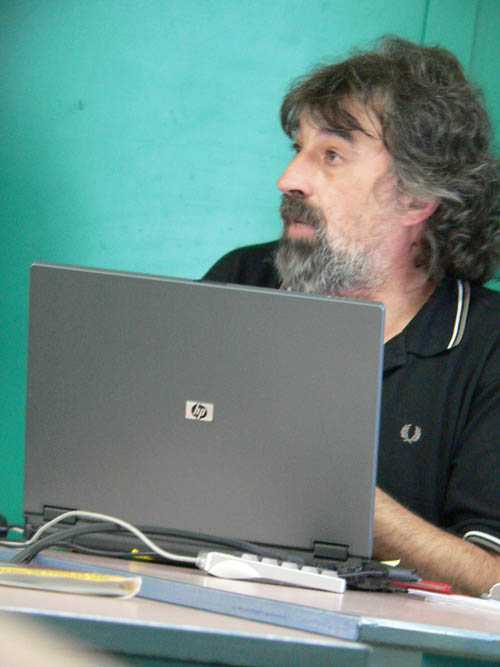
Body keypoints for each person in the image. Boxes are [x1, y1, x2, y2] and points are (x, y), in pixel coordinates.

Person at [203, 36, 500, 596]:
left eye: (332, 155)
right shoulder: (243, 278)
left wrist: (346, 505)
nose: (289, 178)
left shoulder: (489, 345)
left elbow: (494, 578)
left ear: (416, 199)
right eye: (298, 148)